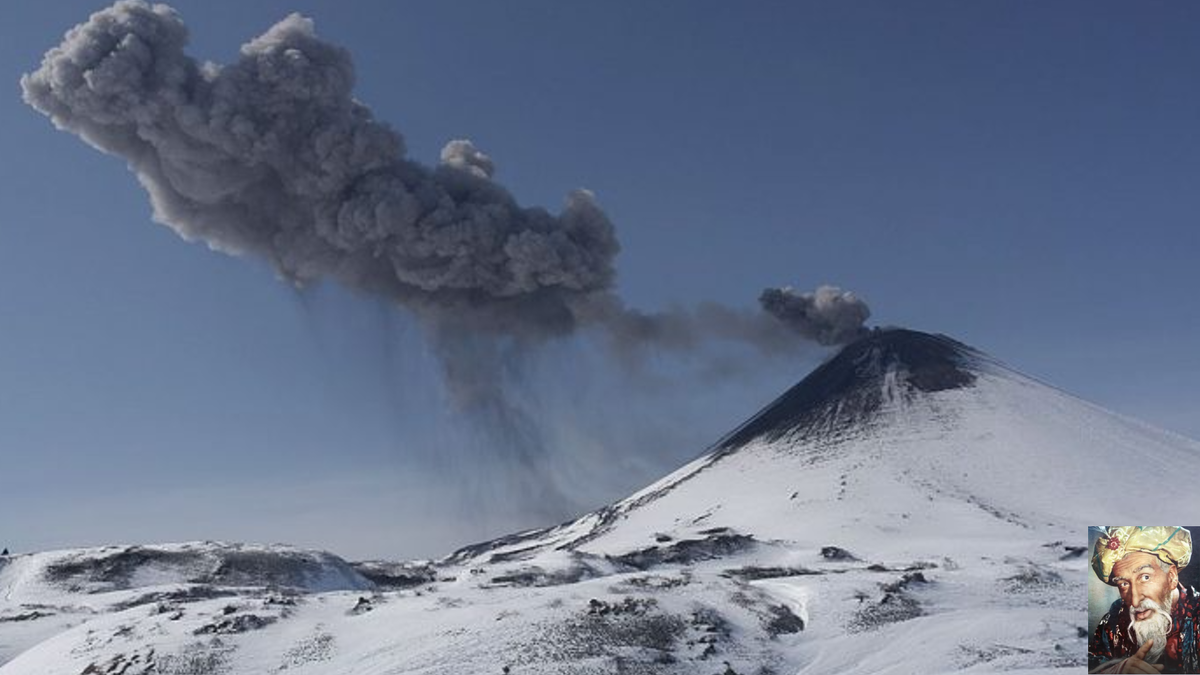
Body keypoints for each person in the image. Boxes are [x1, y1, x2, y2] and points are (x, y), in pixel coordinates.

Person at [1090, 526, 1200, 673]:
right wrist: (1114, 671)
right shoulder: (1112, 623)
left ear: (1172, 577)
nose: (1135, 601)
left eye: (1145, 577)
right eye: (1124, 584)